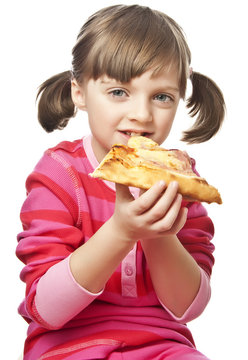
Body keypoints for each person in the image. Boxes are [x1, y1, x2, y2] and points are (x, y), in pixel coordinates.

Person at [16, 4, 225, 360]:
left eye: (161, 97)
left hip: (162, 344)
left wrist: (159, 236)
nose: (142, 115)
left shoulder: (181, 178)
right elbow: (45, 309)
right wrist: (121, 231)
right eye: (118, 92)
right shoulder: (59, 173)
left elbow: (188, 308)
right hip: (67, 345)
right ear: (79, 93)